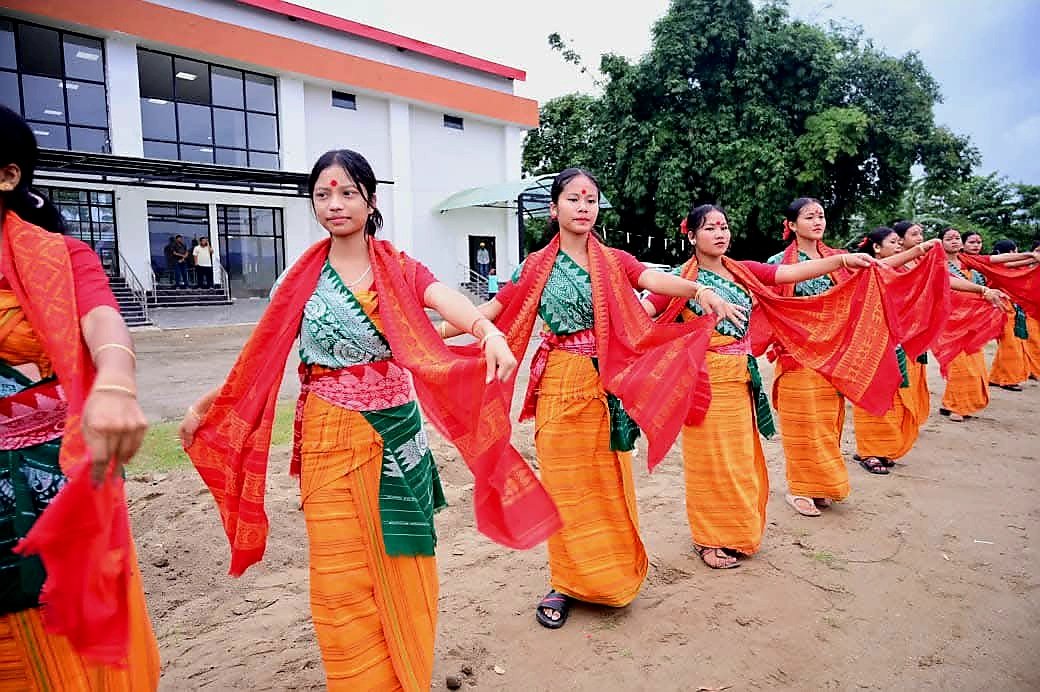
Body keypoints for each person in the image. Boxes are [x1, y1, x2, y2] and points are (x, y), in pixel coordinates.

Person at [179, 149, 558, 691]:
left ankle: (406, 671)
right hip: (327, 438)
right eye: (323, 195)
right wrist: (205, 408)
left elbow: (440, 296)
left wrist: (487, 331)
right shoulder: (299, 280)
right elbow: (260, 358)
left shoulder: (396, 267)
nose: (335, 204)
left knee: (403, 557)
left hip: (394, 437)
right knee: (338, 575)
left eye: (347, 193)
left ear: (371, 201)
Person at [440, 168, 749, 628]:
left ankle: (612, 577)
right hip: (561, 385)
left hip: (607, 386)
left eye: (591, 200)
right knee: (565, 486)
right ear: (554, 208)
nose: (584, 207)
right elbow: (492, 311)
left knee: (607, 484)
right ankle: (565, 582)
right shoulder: (534, 267)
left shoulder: (614, 260)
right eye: (574, 199)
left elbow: (652, 278)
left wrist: (697, 288)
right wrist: (430, 334)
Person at [0, 104, 159, 689]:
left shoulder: (63, 258)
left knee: (71, 641)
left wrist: (114, 384)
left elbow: (103, 321)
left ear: (8, 176)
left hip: (56, 475)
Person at [642, 205, 880, 568]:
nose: (720, 234)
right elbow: (643, 312)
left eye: (724, 227)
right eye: (710, 228)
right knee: (711, 461)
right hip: (704, 383)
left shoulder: (743, 271)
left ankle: (736, 531)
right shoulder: (680, 280)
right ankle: (710, 539)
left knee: (739, 461)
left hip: (741, 379)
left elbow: (791, 272)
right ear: (691, 236)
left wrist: (842, 260)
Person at [766, 198, 857, 517]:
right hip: (797, 356)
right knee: (801, 423)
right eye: (809, 217)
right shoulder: (778, 263)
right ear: (791, 225)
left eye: (821, 216)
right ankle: (800, 489)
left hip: (833, 357)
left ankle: (820, 484)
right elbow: (770, 306)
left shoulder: (840, 260)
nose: (818, 221)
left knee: (827, 423)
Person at [849, 227, 945, 474]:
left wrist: (982, 291)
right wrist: (921, 249)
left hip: (897, 342)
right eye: (893, 242)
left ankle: (882, 448)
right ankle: (869, 451)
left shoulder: (903, 271)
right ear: (876, 248)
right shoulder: (865, 268)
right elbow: (879, 269)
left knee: (896, 396)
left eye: (899, 242)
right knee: (874, 394)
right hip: (871, 342)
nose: (899, 245)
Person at [939, 228, 1006, 422]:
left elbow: (999, 260)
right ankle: (955, 407)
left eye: (957, 238)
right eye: (949, 238)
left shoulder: (968, 262)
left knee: (974, 365)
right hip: (951, 321)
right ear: (940, 242)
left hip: (972, 320)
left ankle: (953, 403)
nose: (954, 241)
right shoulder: (937, 263)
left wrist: (1030, 256)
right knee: (960, 365)